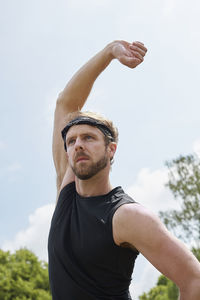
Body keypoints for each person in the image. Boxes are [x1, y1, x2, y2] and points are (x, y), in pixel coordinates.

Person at [48, 40, 200, 300]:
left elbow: (194, 279)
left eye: (88, 138)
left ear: (111, 150)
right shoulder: (67, 190)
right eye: (71, 141)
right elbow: (65, 103)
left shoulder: (127, 216)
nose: (77, 146)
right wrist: (109, 51)